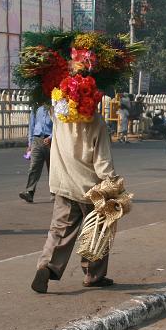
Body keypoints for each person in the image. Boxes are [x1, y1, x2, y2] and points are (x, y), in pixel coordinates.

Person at [31, 108, 118, 293]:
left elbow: (50, 102)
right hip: (91, 189)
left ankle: (46, 266)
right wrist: (113, 185)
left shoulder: (59, 115)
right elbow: (102, 163)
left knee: (59, 231)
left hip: (64, 185)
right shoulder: (97, 122)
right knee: (97, 232)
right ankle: (93, 275)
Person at [19, 104, 53, 204]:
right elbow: (32, 126)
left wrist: (51, 137)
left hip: (51, 141)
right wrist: (30, 143)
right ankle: (29, 192)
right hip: (37, 140)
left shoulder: (54, 107)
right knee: (34, 167)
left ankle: (54, 193)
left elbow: (58, 126)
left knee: (52, 168)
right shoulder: (36, 107)